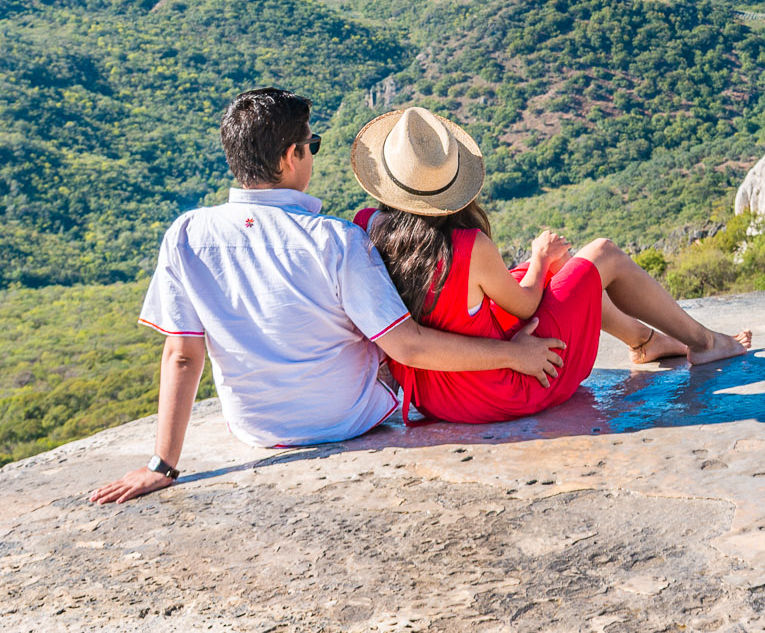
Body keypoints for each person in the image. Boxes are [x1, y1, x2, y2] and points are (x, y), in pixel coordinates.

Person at [90, 88, 568, 504]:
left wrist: (162, 465)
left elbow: (181, 355)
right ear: (290, 157)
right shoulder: (336, 241)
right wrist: (514, 356)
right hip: (348, 419)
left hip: (255, 429)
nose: (312, 155)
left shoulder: (187, 234)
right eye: (311, 144)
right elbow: (409, 347)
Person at [351, 105, 750, 425]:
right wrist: (541, 259)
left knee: (557, 275)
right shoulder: (469, 246)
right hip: (504, 390)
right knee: (601, 254)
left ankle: (645, 342)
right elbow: (525, 305)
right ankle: (705, 343)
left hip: (436, 396)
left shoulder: (367, 226)